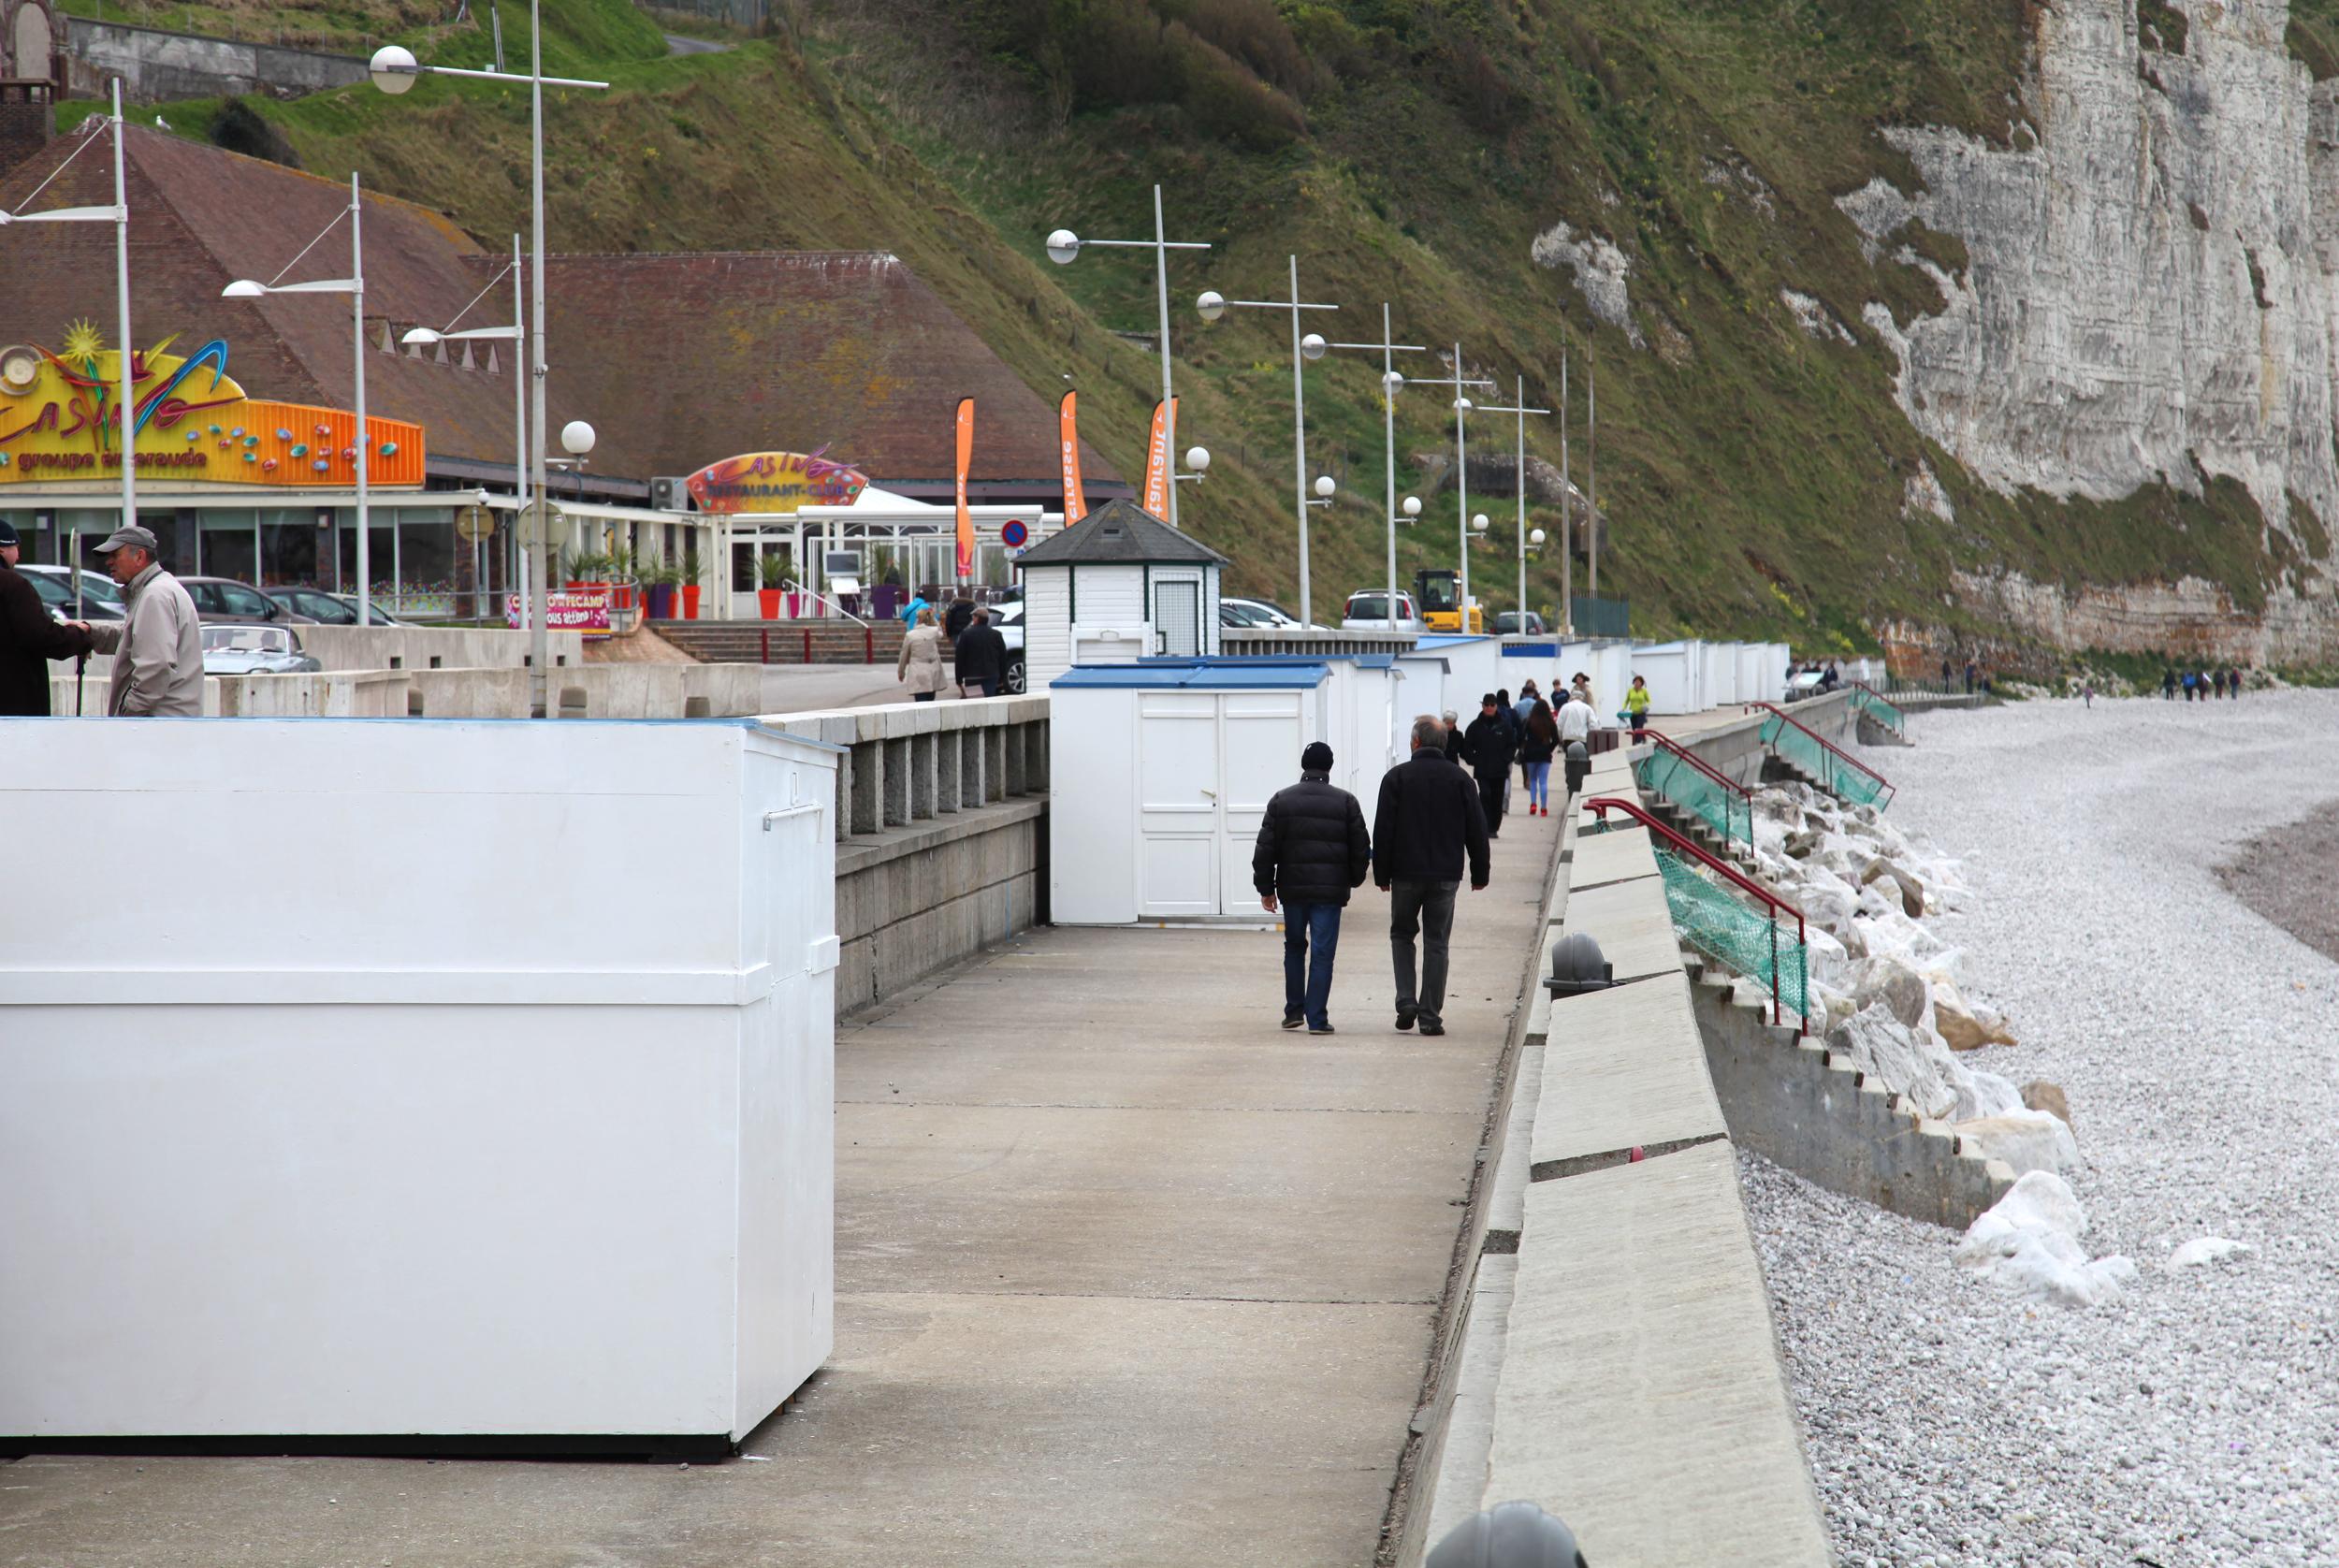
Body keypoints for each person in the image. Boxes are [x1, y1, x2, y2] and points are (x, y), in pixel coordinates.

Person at [1373, 714, 1490, 1038]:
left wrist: (1381, 874)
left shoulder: (1396, 778)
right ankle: (1430, 1017)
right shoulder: (1462, 780)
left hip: (1405, 874)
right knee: (1437, 943)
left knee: (1402, 935)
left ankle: (1406, 1000)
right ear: (1445, 743)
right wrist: (1480, 873)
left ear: (1414, 742)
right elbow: (1477, 832)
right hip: (1445, 875)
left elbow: (1383, 831)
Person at [1253, 740, 1372, 1035]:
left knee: (1294, 947)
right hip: (1329, 893)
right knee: (1322, 952)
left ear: (1303, 765)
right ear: (1330, 767)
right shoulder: (1346, 802)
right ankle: (1317, 1018)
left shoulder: (1282, 800)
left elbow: (1265, 849)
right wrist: (1353, 879)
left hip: (1292, 891)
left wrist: (1266, 888)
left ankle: (1294, 1010)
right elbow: (1362, 848)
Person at [79, 525, 201, 718]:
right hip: (168, 723)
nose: (109, 562)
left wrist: (128, 712)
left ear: (139, 556)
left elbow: (156, 665)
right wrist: (92, 632)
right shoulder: (160, 589)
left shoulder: (155, 595)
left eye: (115, 555)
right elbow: (138, 641)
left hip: (156, 726)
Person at [0, 520, 95, 716]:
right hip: (12, 707)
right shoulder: (12, 585)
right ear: (2, 549)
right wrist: (80, 636)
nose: (18, 555)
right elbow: (39, 636)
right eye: (16, 547)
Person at [1462, 693, 1515, 839]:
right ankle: (1484, 826)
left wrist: (1506, 759)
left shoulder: (1504, 725)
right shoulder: (1475, 726)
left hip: (1499, 771)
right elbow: (1467, 746)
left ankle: (1493, 828)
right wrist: (1473, 760)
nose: (1489, 708)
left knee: (1497, 799)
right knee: (1485, 795)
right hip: (1483, 770)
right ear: (1482, 706)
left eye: (1492, 705)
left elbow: (1512, 745)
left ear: (1496, 706)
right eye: (1487, 705)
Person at [894, 605, 947, 701]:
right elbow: (940, 633)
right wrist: (933, 618)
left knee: (920, 701)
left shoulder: (910, 635)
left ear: (917, 619)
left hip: (917, 670)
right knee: (931, 700)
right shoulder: (933, 631)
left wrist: (901, 672)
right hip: (933, 670)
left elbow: (904, 655)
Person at [953, 605, 1008, 698]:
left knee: (975, 704)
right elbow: (1003, 657)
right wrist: (1002, 677)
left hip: (972, 677)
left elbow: (960, 658)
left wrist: (959, 679)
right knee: (989, 702)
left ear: (977, 618)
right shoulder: (996, 635)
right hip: (991, 675)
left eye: (973, 617)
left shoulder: (966, 635)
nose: (972, 619)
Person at [1518, 697, 1558, 816]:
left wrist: (1524, 748)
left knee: (1533, 780)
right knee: (1543, 781)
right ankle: (1544, 808)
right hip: (1544, 754)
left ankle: (1533, 804)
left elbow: (1521, 737)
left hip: (1530, 754)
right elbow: (1556, 739)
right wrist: (1549, 749)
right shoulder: (1550, 722)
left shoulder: (1529, 721)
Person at [1622, 674, 1651, 739]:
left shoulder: (1644, 691)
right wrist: (1624, 708)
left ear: (1641, 683)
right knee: (1634, 729)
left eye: (1638, 682)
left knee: (1639, 728)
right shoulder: (1630, 691)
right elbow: (1626, 701)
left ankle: (1639, 741)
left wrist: (1647, 706)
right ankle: (1640, 740)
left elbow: (1649, 701)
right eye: (1635, 682)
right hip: (1632, 713)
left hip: (1641, 713)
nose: (1637, 683)